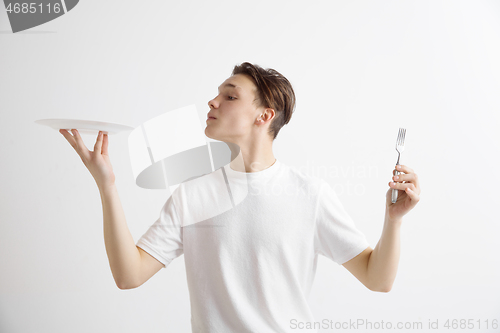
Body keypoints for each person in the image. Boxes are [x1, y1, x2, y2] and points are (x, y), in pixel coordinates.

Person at [60, 62, 421, 332]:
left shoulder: (309, 195)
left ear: (264, 116)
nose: (213, 101)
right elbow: (129, 275)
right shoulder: (192, 195)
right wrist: (107, 184)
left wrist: (394, 220)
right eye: (218, 93)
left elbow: (378, 279)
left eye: (230, 95)